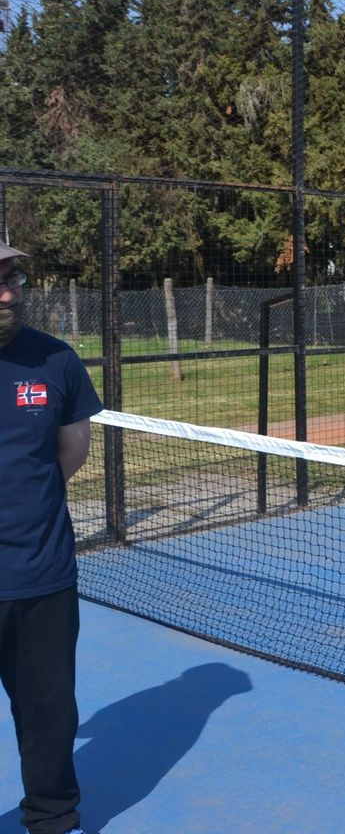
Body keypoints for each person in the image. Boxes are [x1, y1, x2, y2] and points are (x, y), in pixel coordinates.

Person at [0, 240, 103, 834]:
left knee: (48, 716)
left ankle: (51, 819)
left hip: (42, 579)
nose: (10, 293)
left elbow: (69, 454)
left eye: (13, 278)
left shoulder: (56, 361)